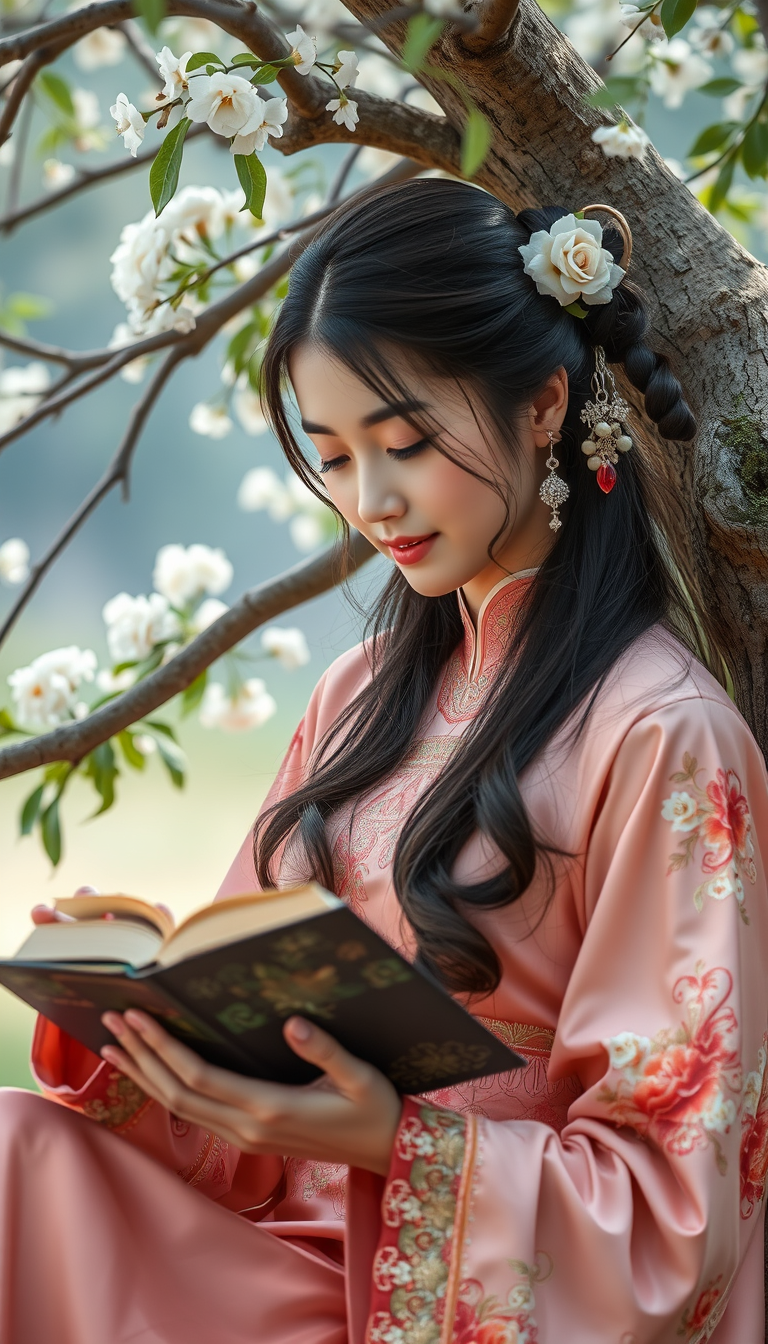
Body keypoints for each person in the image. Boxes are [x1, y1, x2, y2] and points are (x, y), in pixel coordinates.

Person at [1, 178, 767, 1344]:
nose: (374, 501)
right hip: (272, 1253)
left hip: (440, 1296)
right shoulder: (356, 699)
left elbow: (672, 1205)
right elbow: (239, 1094)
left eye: (404, 443)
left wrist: (386, 1142)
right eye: (335, 457)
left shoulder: (661, 732)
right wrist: (134, 1017)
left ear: (548, 402)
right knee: (15, 1148)